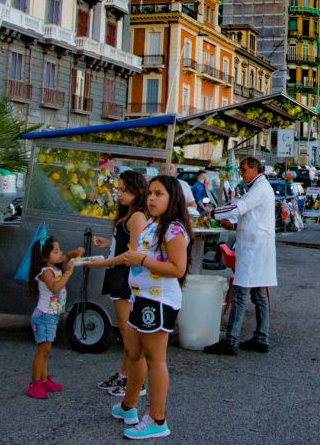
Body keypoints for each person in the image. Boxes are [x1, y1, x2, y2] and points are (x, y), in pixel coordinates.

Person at [111, 175, 193, 440]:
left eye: (159, 194)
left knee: (155, 360)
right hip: (140, 297)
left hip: (158, 302)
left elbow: (177, 269)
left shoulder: (173, 229)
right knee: (133, 352)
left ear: (172, 199)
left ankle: (157, 419)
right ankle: (128, 406)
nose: (151, 198)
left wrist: (142, 260)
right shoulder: (151, 222)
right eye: (150, 193)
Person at [204, 156, 276, 356]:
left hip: (255, 248)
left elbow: (237, 207)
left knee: (240, 294)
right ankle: (261, 337)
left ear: (255, 169)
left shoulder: (259, 188)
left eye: (243, 169)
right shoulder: (259, 187)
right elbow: (254, 217)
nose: (241, 173)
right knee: (258, 294)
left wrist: (212, 214)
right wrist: (234, 225)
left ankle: (231, 340)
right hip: (258, 245)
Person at [89, 170, 149, 396]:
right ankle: (125, 375)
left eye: (125, 190)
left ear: (137, 190)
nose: (120, 194)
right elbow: (124, 246)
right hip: (118, 276)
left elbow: (132, 254)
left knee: (128, 331)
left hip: (126, 278)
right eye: (119, 190)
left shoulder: (137, 216)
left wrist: (102, 263)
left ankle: (135, 381)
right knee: (125, 330)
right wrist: (108, 244)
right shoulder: (129, 214)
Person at [25, 236, 83, 398]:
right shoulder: (46, 272)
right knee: (43, 351)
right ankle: (34, 384)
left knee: (46, 350)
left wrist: (76, 252)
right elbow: (55, 288)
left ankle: (43, 380)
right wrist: (69, 272)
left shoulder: (54, 267)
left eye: (59, 250)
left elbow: (67, 257)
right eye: (56, 251)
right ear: (44, 257)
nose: (60, 254)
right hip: (44, 316)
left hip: (51, 316)